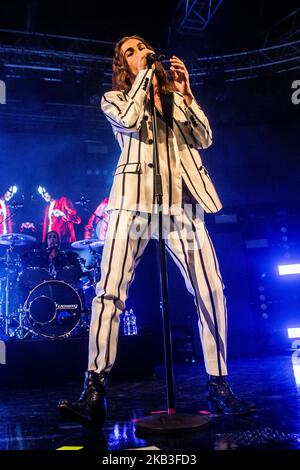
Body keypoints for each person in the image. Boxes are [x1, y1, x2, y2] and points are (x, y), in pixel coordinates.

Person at [58, 35, 255, 426]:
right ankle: (94, 388)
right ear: (123, 65)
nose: (141, 53)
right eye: (130, 52)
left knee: (211, 289)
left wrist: (184, 92)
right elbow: (130, 121)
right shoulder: (113, 99)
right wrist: (147, 77)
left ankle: (218, 386)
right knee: (110, 292)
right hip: (132, 203)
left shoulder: (173, 101)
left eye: (143, 47)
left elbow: (204, 138)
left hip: (181, 204)